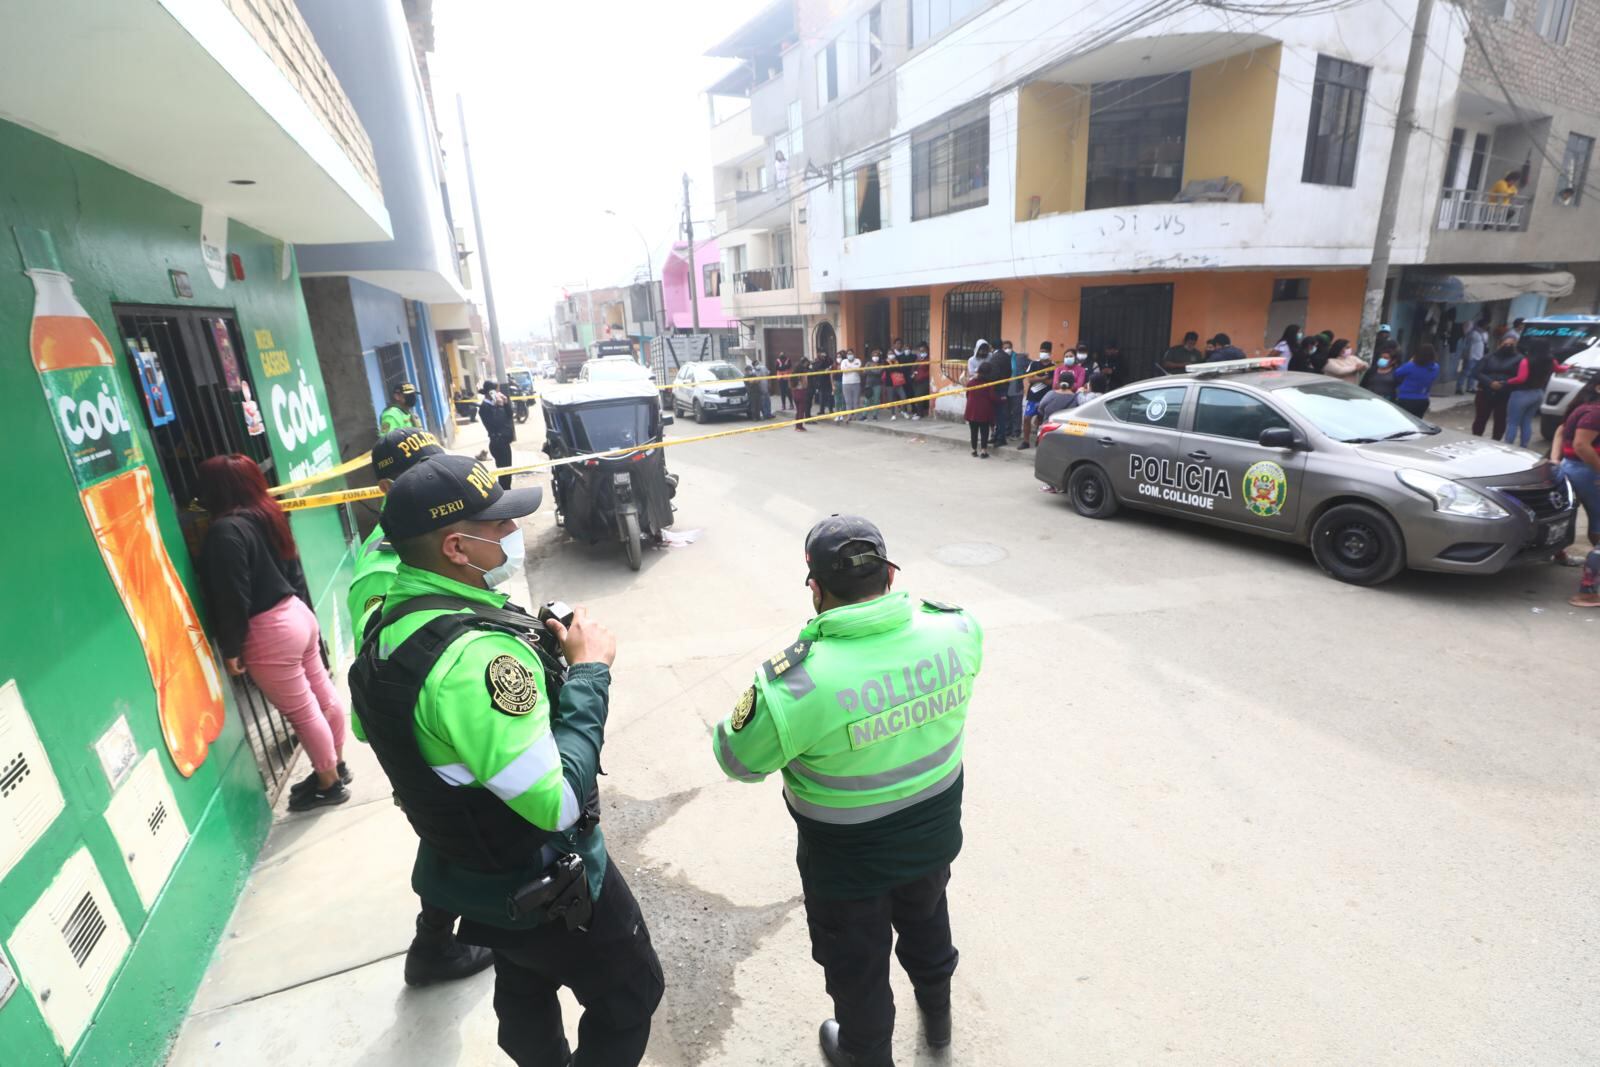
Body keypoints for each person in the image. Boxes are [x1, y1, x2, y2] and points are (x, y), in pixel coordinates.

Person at [351, 455, 664, 1065]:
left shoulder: (389, 623)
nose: (513, 533)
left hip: (469, 874)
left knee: (524, 980)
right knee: (630, 997)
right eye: (498, 526)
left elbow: (372, 727)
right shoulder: (479, 660)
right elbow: (558, 804)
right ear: (456, 548)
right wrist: (589, 674)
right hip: (547, 883)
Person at [711, 516, 982, 1067]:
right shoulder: (957, 630)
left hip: (847, 870)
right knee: (929, 922)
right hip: (931, 844)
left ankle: (864, 1052)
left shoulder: (796, 686)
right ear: (889, 575)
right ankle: (938, 1023)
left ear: (816, 588)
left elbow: (736, 760)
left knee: (857, 969)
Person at [342, 429, 495, 988]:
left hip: (429, 717)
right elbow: (392, 663)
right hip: (416, 721)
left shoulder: (410, 543)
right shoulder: (386, 569)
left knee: (448, 836)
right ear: (387, 490)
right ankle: (434, 945)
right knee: (451, 832)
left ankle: (437, 941)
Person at [197, 454, 348, 814]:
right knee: (322, 696)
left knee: (303, 712)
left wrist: (232, 648)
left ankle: (328, 783)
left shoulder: (225, 532)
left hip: (269, 630)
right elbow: (294, 569)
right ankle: (335, 765)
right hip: (296, 614)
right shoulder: (269, 515)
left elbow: (233, 595)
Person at [1551, 378, 1600, 569]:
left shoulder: (1585, 408)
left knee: (1569, 514)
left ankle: (1560, 554)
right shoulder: (1595, 412)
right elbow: (1581, 445)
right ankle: (1593, 572)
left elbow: (1562, 430)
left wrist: (1556, 459)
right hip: (1586, 470)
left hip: (1576, 467)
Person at [1503, 338, 1555, 448]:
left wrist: (1507, 381)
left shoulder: (1526, 361)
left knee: (1513, 422)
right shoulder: (1551, 360)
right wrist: (1569, 367)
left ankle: (1508, 446)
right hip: (1538, 393)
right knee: (1527, 421)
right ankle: (1524, 446)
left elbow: (1521, 378)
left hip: (1522, 394)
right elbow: (1560, 369)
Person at [1473, 332, 1522, 439]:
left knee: (1500, 420)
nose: (1508, 346)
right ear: (1500, 344)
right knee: (1480, 419)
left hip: (1504, 394)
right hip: (1485, 392)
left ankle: (1496, 441)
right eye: (1505, 344)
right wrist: (1490, 383)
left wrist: (1503, 384)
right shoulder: (1488, 357)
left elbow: (1519, 377)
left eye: (1511, 345)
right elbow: (1477, 372)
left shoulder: (1520, 360)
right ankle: (1475, 439)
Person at [479, 380, 516, 489]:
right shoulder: (485, 407)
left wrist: (505, 403)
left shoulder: (494, 405)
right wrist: (499, 406)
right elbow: (497, 422)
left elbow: (510, 415)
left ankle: (506, 490)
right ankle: (505, 492)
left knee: (507, 472)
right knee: (504, 474)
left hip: (504, 442)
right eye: (496, 391)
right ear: (490, 392)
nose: (498, 393)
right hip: (498, 443)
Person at [1019, 342, 1057, 448]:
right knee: (1027, 418)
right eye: (1041, 351)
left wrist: (1037, 378)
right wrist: (1043, 378)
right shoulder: (1034, 364)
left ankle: (1039, 440)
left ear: (1050, 353)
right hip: (1032, 397)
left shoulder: (1053, 366)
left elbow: (1051, 382)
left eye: (1045, 351)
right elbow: (1029, 379)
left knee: (1041, 420)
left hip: (1045, 398)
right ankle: (1026, 441)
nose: (1043, 353)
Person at [964, 343, 997, 458]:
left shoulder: (971, 383)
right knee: (984, 431)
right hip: (984, 413)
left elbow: (967, 395)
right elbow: (992, 397)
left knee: (973, 432)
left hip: (971, 411)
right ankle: (983, 451)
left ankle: (974, 450)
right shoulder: (989, 384)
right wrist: (1001, 399)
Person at [1392, 343, 1441, 417]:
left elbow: (1397, 373)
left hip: (1406, 398)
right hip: (1423, 399)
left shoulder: (1410, 366)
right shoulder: (1435, 367)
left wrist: (1410, 361)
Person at [994, 341, 1025, 448]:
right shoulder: (1001, 358)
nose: (1007, 349)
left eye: (1009, 347)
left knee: (1016, 411)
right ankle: (1007, 430)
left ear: (1012, 348)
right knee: (1006, 411)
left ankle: (1016, 432)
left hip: (1016, 388)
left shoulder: (1018, 358)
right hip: (1005, 388)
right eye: (1005, 348)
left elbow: (1026, 369)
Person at [1457, 318, 1489, 394]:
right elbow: (1468, 345)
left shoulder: (1485, 333)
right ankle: (1459, 387)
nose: (1487, 326)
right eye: (1486, 325)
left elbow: (1485, 342)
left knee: (1474, 373)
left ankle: (1470, 387)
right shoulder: (1473, 333)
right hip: (1471, 355)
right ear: (1482, 325)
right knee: (1466, 372)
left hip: (1479, 356)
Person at [907, 343, 931, 419]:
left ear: (927, 351)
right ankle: (919, 412)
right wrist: (914, 373)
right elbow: (913, 368)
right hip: (916, 381)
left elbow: (930, 371)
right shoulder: (918, 359)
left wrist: (922, 375)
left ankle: (920, 414)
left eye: (924, 351)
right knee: (917, 396)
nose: (922, 352)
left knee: (919, 395)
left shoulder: (928, 360)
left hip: (924, 381)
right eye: (920, 351)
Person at [792, 353, 814, 431]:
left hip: (795, 392)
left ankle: (797, 426)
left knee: (798, 410)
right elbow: (805, 384)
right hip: (801, 392)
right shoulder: (803, 374)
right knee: (801, 411)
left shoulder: (793, 375)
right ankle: (799, 427)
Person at [840, 349, 864, 420]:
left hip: (856, 383)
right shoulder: (844, 361)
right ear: (846, 355)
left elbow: (858, 368)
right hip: (846, 383)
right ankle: (849, 416)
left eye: (851, 353)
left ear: (854, 354)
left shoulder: (858, 361)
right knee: (848, 401)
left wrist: (849, 368)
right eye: (848, 354)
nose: (850, 355)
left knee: (856, 401)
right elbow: (843, 370)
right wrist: (853, 368)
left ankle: (856, 416)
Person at [748, 355, 772, 420]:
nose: (757, 365)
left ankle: (769, 414)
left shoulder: (764, 368)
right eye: (756, 364)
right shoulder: (753, 372)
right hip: (760, 390)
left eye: (757, 363)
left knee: (768, 402)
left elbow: (769, 375)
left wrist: (769, 384)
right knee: (762, 403)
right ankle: (765, 415)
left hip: (766, 388)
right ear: (753, 366)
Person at [813, 350, 836, 416]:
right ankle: (822, 410)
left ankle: (831, 409)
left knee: (830, 396)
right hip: (820, 381)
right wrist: (823, 369)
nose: (823, 355)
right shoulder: (817, 360)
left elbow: (832, 366)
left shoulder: (829, 359)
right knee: (822, 396)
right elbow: (816, 368)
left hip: (828, 380)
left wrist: (828, 368)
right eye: (821, 354)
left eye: (824, 354)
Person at [863, 350, 885, 418]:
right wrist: (874, 370)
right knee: (867, 400)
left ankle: (875, 415)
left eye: (877, 356)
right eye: (874, 355)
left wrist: (870, 370)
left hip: (877, 384)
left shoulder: (881, 364)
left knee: (876, 400)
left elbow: (879, 372)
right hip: (868, 384)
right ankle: (864, 415)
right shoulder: (868, 363)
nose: (875, 357)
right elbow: (864, 371)